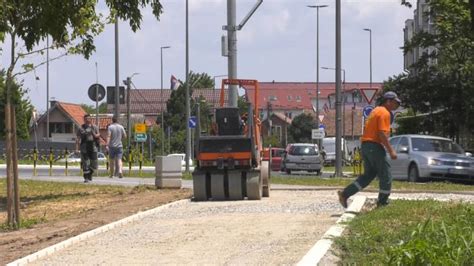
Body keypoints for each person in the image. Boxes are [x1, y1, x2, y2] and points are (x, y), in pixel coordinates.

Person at [337, 91, 401, 208]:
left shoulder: (376, 110)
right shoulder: (384, 113)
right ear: (388, 101)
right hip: (374, 145)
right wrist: (391, 150)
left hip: (366, 145)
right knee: (386, 175)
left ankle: (345, 194)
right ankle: (382, 203)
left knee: (368, 176)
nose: (397, 105)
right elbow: (381, 133)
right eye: (395, 102)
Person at [76, 114, 101, 183]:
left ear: (91, 119)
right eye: (86, 119)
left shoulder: (95, 127)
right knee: (85, 163)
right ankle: (86, 177)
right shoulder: (81, 128)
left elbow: (98, 134)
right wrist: (77, 148)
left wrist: (94, 133)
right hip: (84, 147)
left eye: (88, 118)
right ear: (84, 119)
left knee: (94, 164)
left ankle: (90, 173)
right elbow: (78, 138)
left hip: (93, 146)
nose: (87, 120)